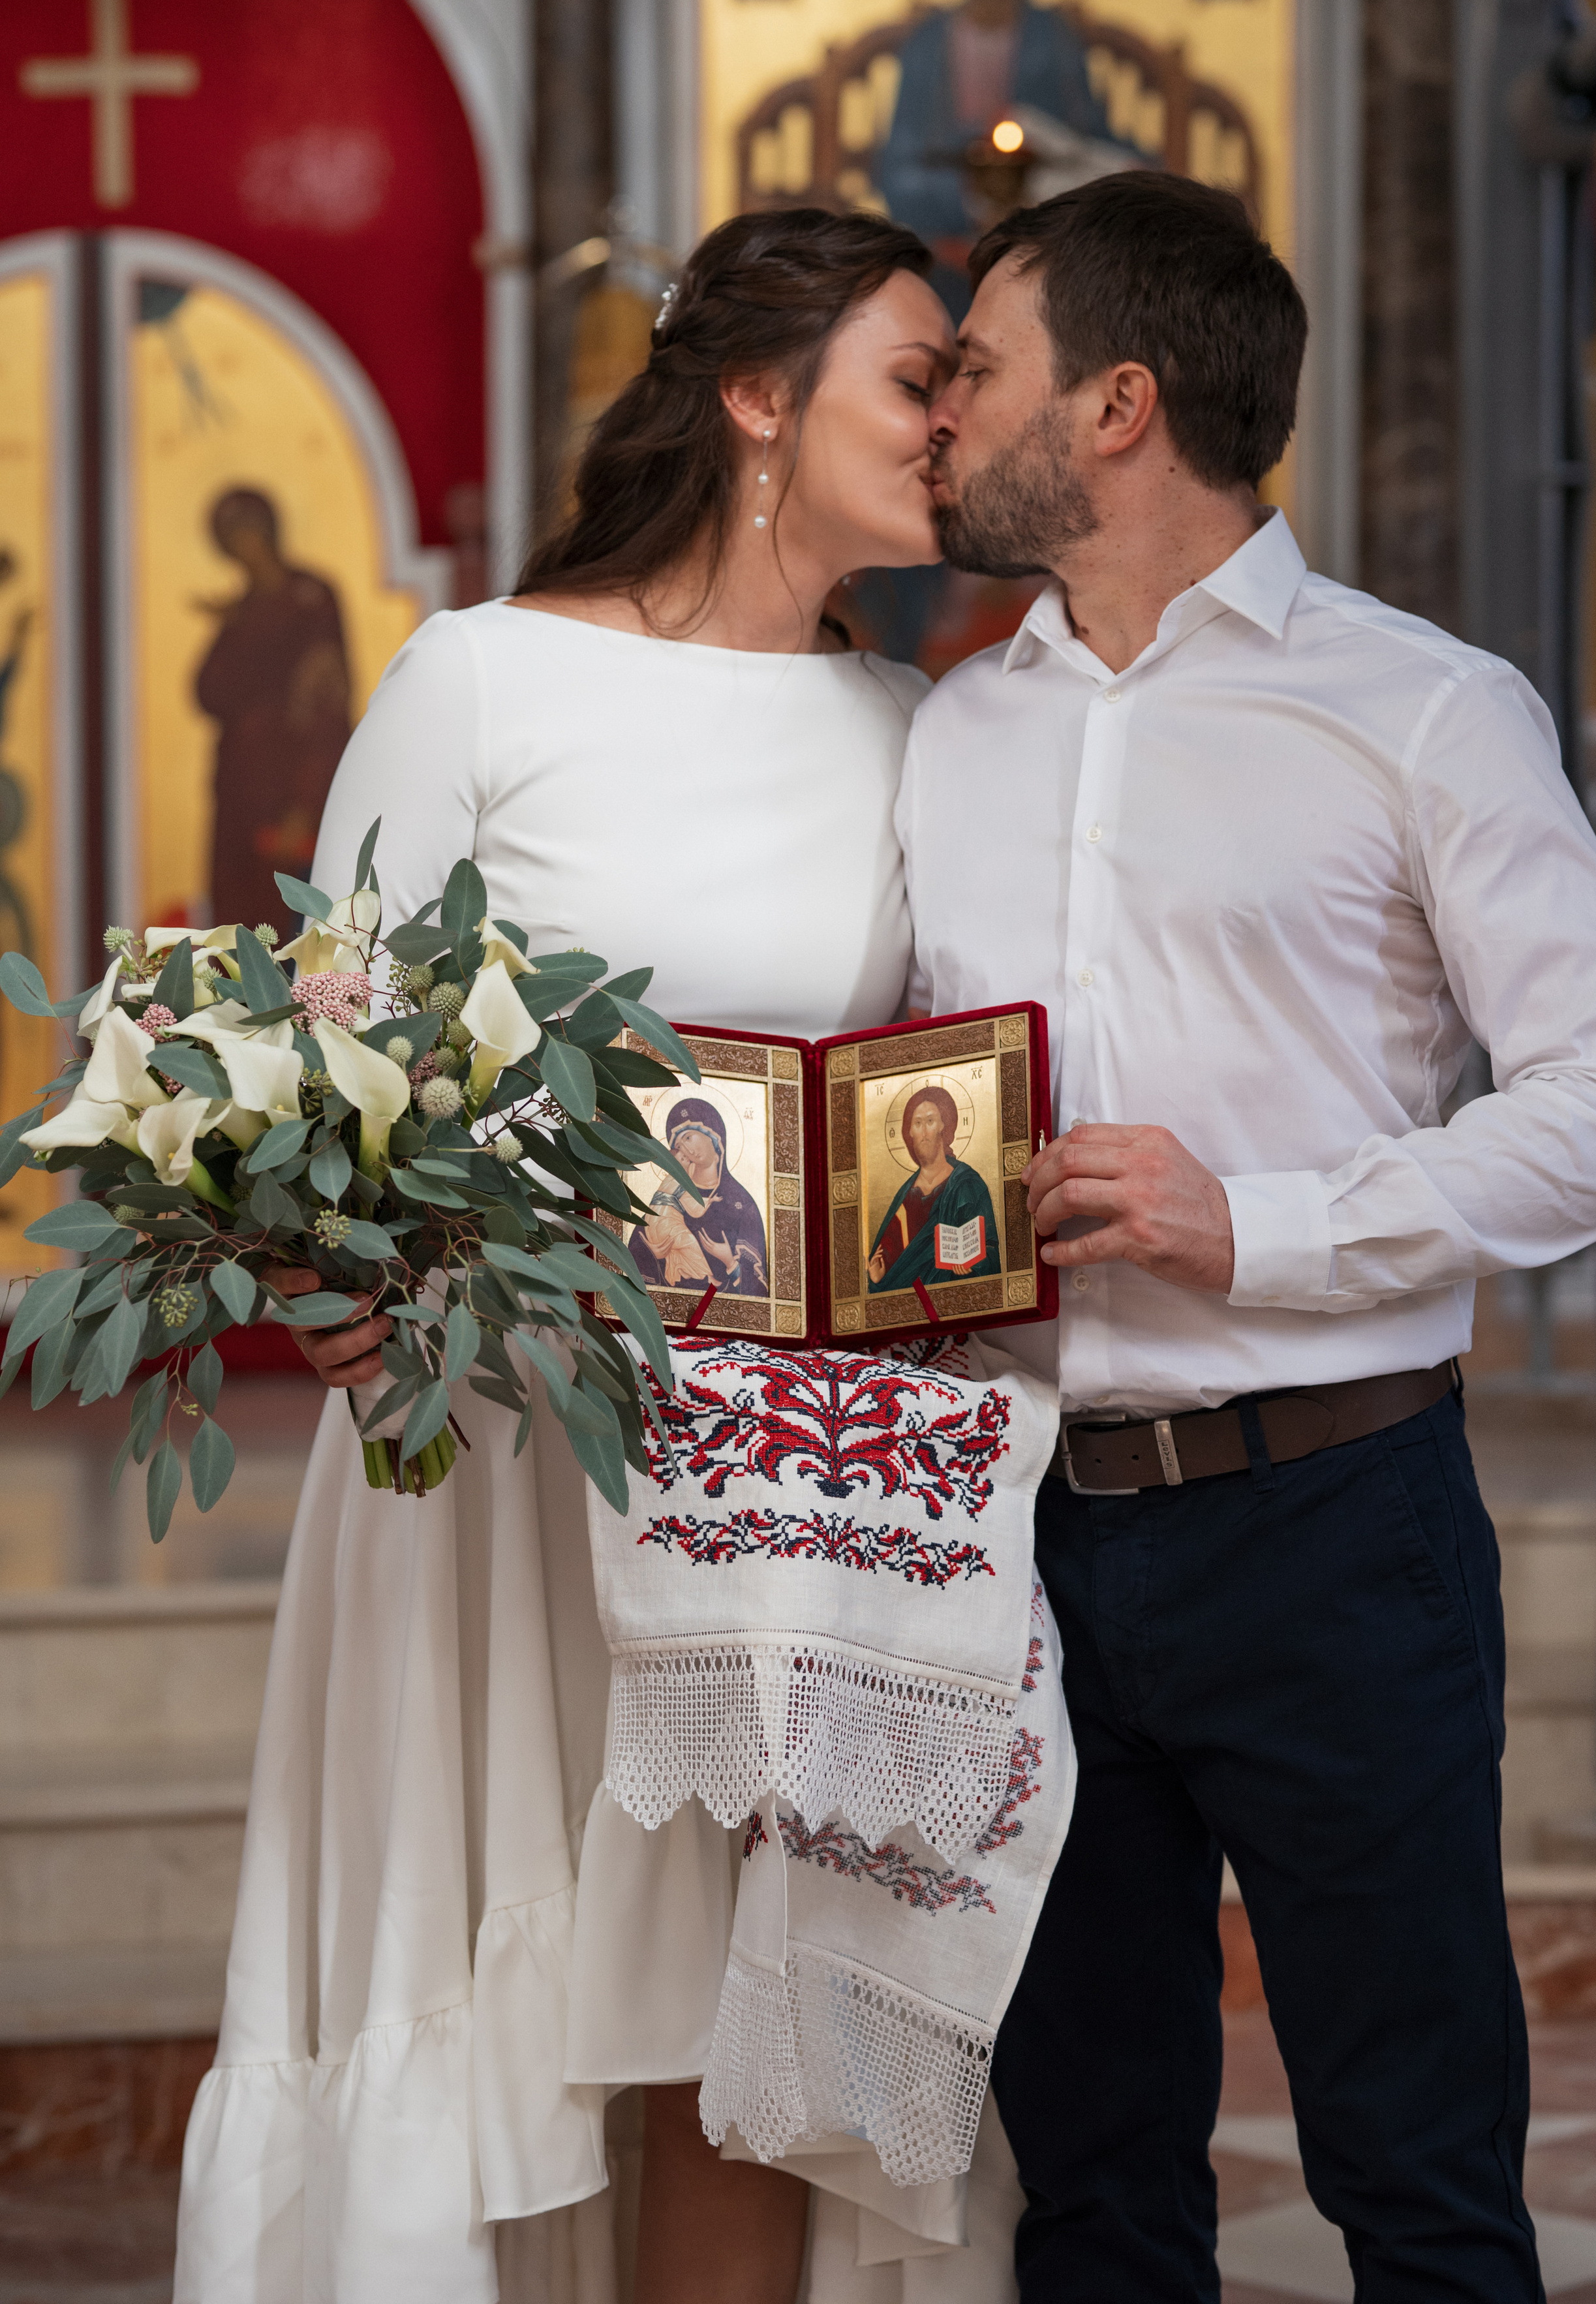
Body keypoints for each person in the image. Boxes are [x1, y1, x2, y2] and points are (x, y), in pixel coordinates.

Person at [176, 209, 1032, 2304]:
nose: (951, 424)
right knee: (506, 1983)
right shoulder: (484, 673)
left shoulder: (908, 722)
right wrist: (356, 1273)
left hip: (770, 1476)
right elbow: (324, 1056)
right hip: (497, 1462)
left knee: (728, 2024)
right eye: (914, 376)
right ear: (757, 398)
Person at [897, 169, 1596, 2299]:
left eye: (980, 366)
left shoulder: (1423, 709)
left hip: (1336, 1532)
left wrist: (1263, 1226)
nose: (940, 415)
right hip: (1024, 1540)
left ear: (1123, 401)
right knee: (1097, 2194)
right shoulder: (953, 731)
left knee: (1418, 2189)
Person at [877, 0, 1133, 320]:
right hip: (947, 249)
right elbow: (901, 166)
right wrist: (968, 198)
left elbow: (1083, 143)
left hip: (1040, 246)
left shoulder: (1054, 39)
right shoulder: (927, 45)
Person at [194, 485, 353, 935]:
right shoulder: (242, 610)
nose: (243, 547)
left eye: (248, 533)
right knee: (236, 935)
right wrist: (228, 629)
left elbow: (328, 711)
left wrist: (305, 804)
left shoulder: (311, 599)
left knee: (291, 934)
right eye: (231, 538)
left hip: (290, 794)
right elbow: (208, 693)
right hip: (240, 796)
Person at [867, 1082, 1000, 1291]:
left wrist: (974, 1264)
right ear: (909, 1132)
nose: (924, 1131)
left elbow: (992, 1252)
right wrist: (877, 1278)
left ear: (943, 1126)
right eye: (917, 1123)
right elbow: (888, 1262)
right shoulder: (905, 1196)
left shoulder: (968, 1185)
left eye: (930, 1121)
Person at [630, 1096, 769, 1295]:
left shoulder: (742, 1204)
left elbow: (760, 1290)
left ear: (713, 1135)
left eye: (688, 1138)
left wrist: (730, 1262)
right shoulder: (670, 1195)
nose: (686, 1149)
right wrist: (652, 1254)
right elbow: (635, 1251)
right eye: (678, 1147)